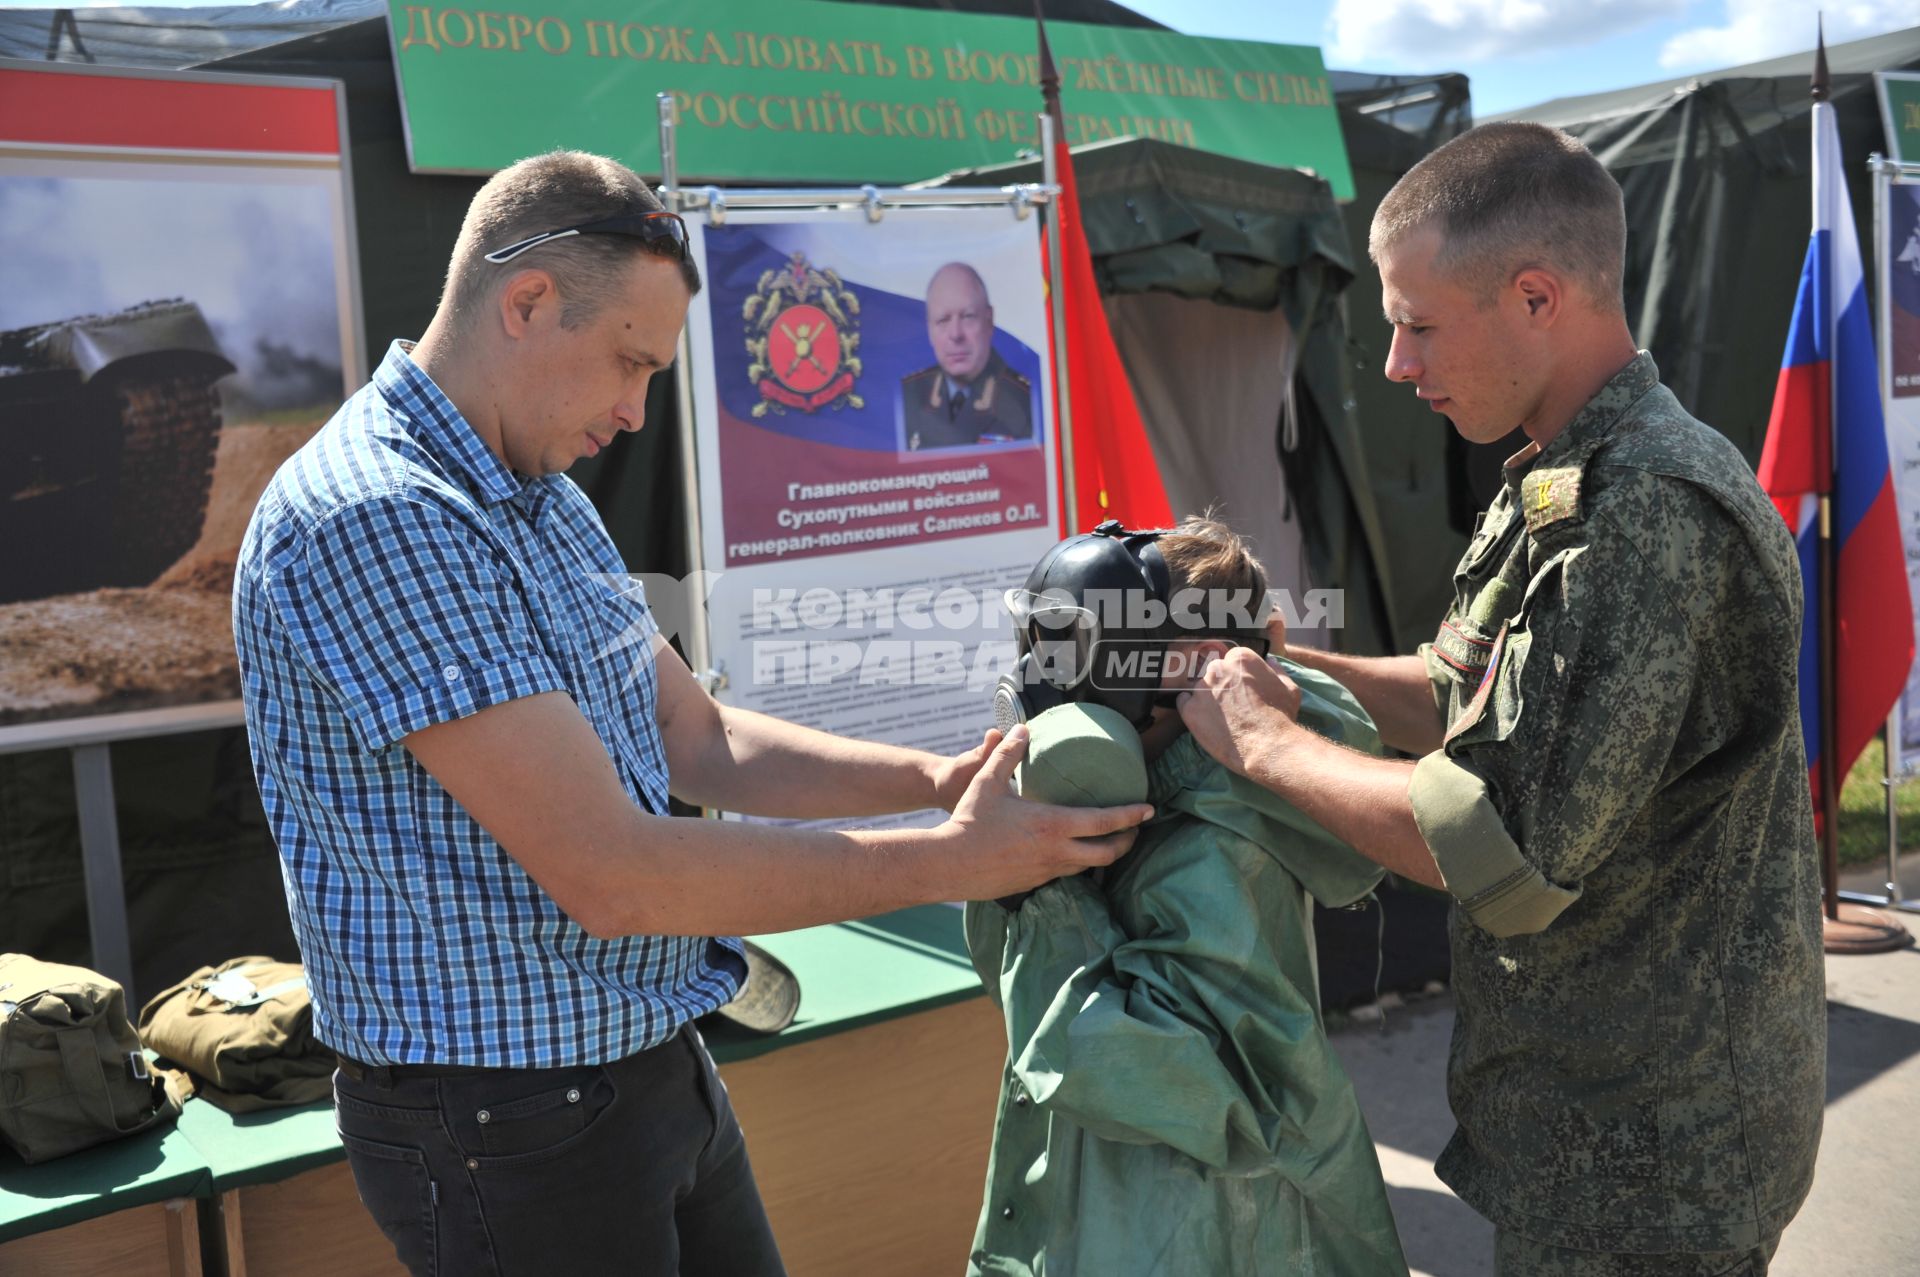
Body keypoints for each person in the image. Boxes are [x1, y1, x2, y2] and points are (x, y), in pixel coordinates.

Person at [231, 150, 1150, 1277]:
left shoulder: (536, 494)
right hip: (504, 1120)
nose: (633, 409)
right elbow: (614, 872)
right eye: (627, 361)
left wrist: (938, 783)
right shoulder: (381, 516)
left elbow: (696, 736)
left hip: (641, 1061)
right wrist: (953, 862)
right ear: (524, 303)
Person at [1175, 122, 1823, 1274]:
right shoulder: (1562, 472)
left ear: (1536, 296)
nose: (1394, 364)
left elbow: (1501, 847)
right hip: (1596, 1118)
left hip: (1654, 1163)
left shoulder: (1639, 513)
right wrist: (1292, 671)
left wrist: (1266, 743)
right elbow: (1459, 690)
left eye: (1418, 324)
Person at [965, 518, 1409, 1276]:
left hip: (1213, 1233)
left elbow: (1169, 1082)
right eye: (1040, 644)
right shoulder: (1143, 800)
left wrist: (1039, 891)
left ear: (1194, 673)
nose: (1042, 680)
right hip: (1108, 1209)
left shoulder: (1217, 844)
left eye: (1074, 654)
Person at [900, 262, 1034, 450]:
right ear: (929, 330)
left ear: (989, 320)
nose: (955, 334)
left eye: (968, 316)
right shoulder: (907, 397)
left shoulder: (1027, 400)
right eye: (943, 320)